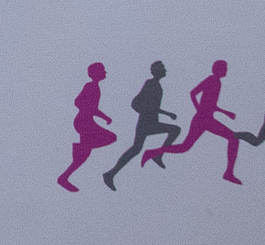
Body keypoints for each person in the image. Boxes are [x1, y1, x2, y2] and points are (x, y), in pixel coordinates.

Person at [146, 60, 244, 183]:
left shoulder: (217, 82)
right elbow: (193, 93)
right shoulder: (211, 80)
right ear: (218, 69)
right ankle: (228, 173)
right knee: (231, 139)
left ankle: (154, 152)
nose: (226, 70)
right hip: (202, 120)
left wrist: (225, 112)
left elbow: (210, 105)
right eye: (224, 68)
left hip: (207, 119)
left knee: (186, 146)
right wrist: (199, 110)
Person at [102, 60, 181, 189]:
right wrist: (147, 111)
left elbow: (153, 106)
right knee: (136, 149)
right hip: (145, 123)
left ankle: (111, 173)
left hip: (152, 122)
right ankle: (111, 173)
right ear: (157, 71)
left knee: (138, 148)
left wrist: (167, 113)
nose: (165, 71)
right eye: (163, 68)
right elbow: (135, 102)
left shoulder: (157, 86)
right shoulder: (150, 84)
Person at [57, 62, 116, 192]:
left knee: (85, 153)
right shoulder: (90, 86)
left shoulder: (95, 87)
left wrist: (102, 116)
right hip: (83, 121)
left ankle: (64, 176)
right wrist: (103, 116)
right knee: (110, 137)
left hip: (87, 121)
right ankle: (79, 151)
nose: (105, 73)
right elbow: (78, 102)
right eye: (102, 70)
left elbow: (91, 108)